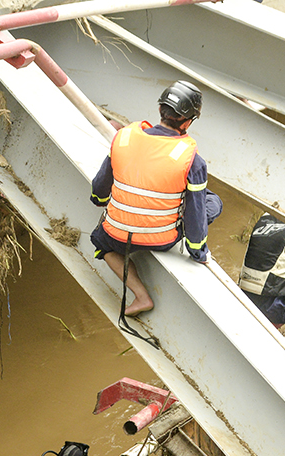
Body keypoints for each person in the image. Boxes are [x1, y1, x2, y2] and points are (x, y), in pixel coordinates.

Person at [90, 80, 224, 316]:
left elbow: (100, 186)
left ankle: (140, 296)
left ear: (161, 110)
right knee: (211, 201)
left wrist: (99, 200)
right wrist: (198, 251)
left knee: (101, 244)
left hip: (116, 235)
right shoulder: (192, 159)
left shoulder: (123, 138)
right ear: (188, 121)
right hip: (161, 239)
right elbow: (194, 214)